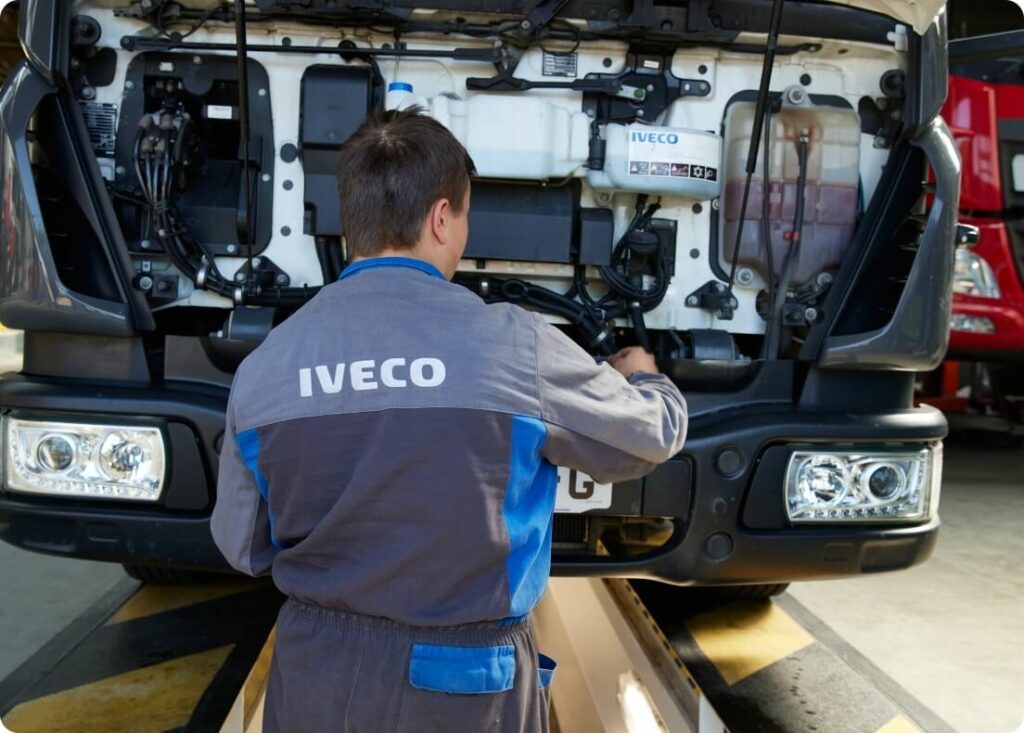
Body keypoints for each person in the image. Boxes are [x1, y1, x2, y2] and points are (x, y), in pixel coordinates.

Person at [211, 108, 687, 733]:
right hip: (461, 688)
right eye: (463, 217)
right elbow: (647, 438)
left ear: (352, 221)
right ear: (441, 217)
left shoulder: (266, 368)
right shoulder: (516, 345)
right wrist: (644, 375)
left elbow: (243, 547)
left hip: (316, 677)